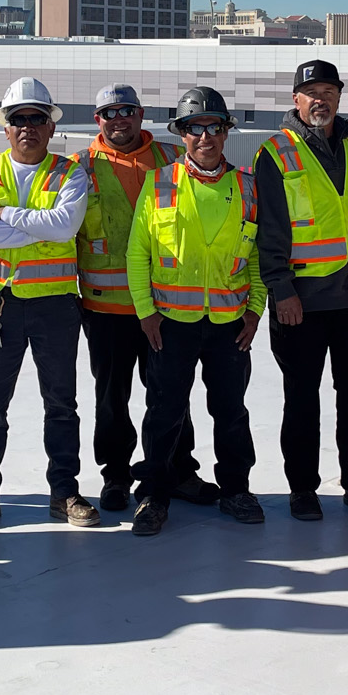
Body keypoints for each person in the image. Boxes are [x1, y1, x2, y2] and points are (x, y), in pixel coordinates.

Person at [0, 77, 97, 531]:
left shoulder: (69, 172)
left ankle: (65, 492)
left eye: (38, 118)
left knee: (61, 403)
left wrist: (6, 215)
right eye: (20, 119)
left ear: (51, 127)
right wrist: (38, 226)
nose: (29, 127)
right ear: (6, 127)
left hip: (54, 305)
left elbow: (65, 227)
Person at [126, 88, 267, 537]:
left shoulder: (248, 187)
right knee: (164, 411)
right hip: (171, 324)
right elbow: (137, 253)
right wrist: (146, 312)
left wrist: (255, 311)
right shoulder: (160, 182)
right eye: (194, 128)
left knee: (231, 411)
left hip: (229, 324)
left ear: (226, 131)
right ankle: (154, 494)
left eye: (213, 127)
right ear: (183, 135)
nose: (204, 136)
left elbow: (260, 256)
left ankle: (237, 489)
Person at [253, 59, 348, 520]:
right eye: (311, 92)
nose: (320, 99)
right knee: (302, 400)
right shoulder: (276, 152)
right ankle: (303, 489)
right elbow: (268, 231)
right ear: (296, 100)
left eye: (328, 91)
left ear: (340, 96)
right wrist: (280, 290)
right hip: (301, 301)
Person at [75, 83, 207, 513]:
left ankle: (176, 470)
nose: (119, 120)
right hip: (106, 307)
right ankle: (115, 474)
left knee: (170, 394)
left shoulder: (171, 158)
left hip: (166, 304)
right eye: (109, 113)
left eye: (126, 110)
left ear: (141, 113)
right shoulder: (80, 167)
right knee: (112, 397)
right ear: (98, 120)